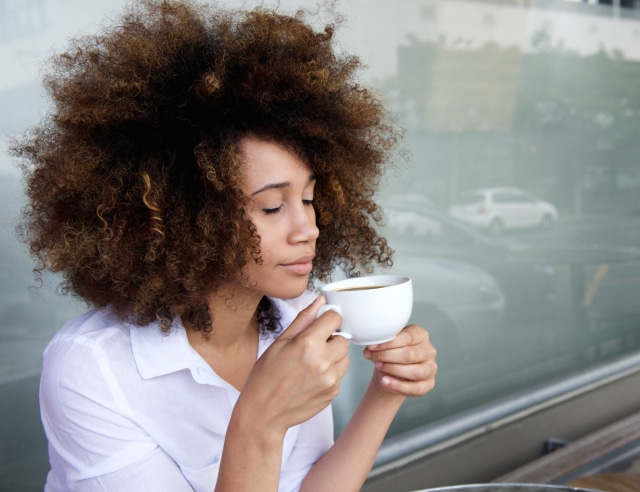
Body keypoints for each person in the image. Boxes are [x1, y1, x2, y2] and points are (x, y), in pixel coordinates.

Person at [10, 0, 438, 491]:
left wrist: (387, 390)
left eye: (309, 198)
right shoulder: (93, 370)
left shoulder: (296, 316)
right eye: (272, 208)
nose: (309, 228)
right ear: (187, 217)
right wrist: (259, 423)